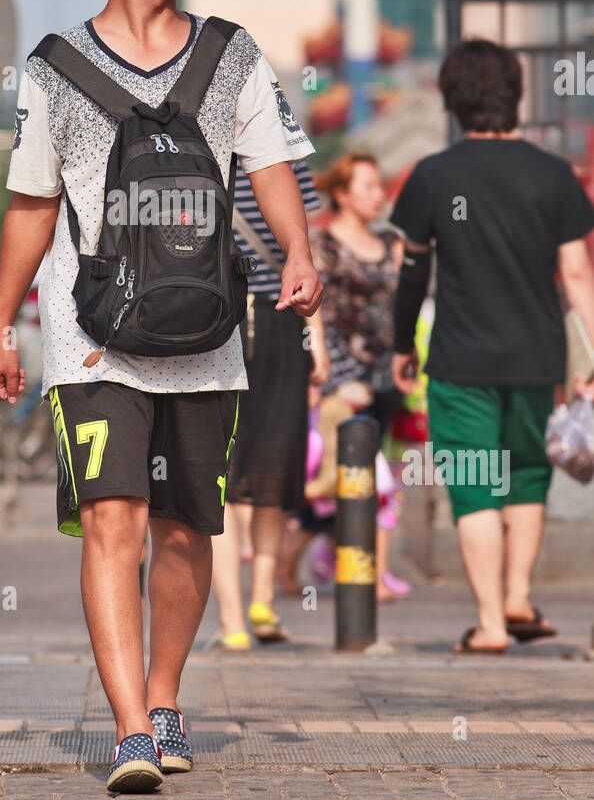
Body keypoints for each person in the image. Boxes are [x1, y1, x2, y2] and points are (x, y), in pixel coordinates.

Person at [0, 0, 322, 794]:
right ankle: (132, 727)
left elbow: (270, 168)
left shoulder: (232, 55)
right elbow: (30, 204)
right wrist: (1, 322)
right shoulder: (53, 70)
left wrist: (299, 251)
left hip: (209, 335)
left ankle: (166, 696)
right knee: (114, 518)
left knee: (185, 528)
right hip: (92, 341)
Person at [390, 39, 594, 653]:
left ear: (453, 99)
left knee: (476, 481)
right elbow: (577, 274)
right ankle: (517, 596)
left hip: (461, 360)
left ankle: (492, 624)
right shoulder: (553, 174)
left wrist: (404, 344)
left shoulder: (434, 175)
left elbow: (411, 273)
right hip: (538, 355)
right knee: (528, 474)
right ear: (516, 94)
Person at [209, 156, 328, 649]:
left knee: (220, 478)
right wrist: (316, 338)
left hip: (214, 320)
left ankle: (236, 619)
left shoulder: (190, 141)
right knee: (269, 471)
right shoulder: (282, 154)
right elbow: (304, 252)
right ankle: (259, 599)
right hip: (281, 322)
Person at [306, 153, 411, 602]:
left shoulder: (392, 242)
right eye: (367, 186)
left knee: (380, 476)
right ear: (342, 194)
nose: (378, 194)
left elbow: (402, 307)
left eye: (379, 185)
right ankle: (335, 559)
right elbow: (319, 314)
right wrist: (323, 371)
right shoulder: (322, 244)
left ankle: (362, 565)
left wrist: (407, 358)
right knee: (342, 475)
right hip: (343, 379)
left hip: (387, 375)